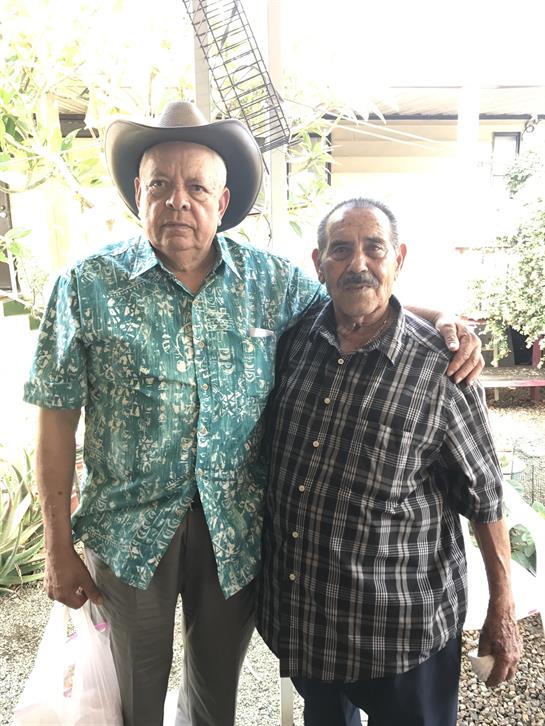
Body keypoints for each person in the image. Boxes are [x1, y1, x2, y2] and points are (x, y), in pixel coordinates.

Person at [24, 103, 482, 726]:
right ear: (138, 194)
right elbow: (54, 419)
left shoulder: (269, 281)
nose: (177, 201)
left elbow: (357, 296)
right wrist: (57, 546)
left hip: (232, 529)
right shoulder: (85, 286)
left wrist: (442, 318)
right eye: (160, 185)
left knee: (217, 696)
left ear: (223, 201)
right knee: (134, 698)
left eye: (196, 188)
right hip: (128, 532)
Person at [256, 197, 522, 726]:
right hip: (309, 625)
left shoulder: (443, 370)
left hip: (402, 634)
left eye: (374, 248)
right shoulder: (294, 340)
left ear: (398, 258)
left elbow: (486, 497)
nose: (358, 263)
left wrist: (503, 608)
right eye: (341, 250)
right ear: (319, 264)